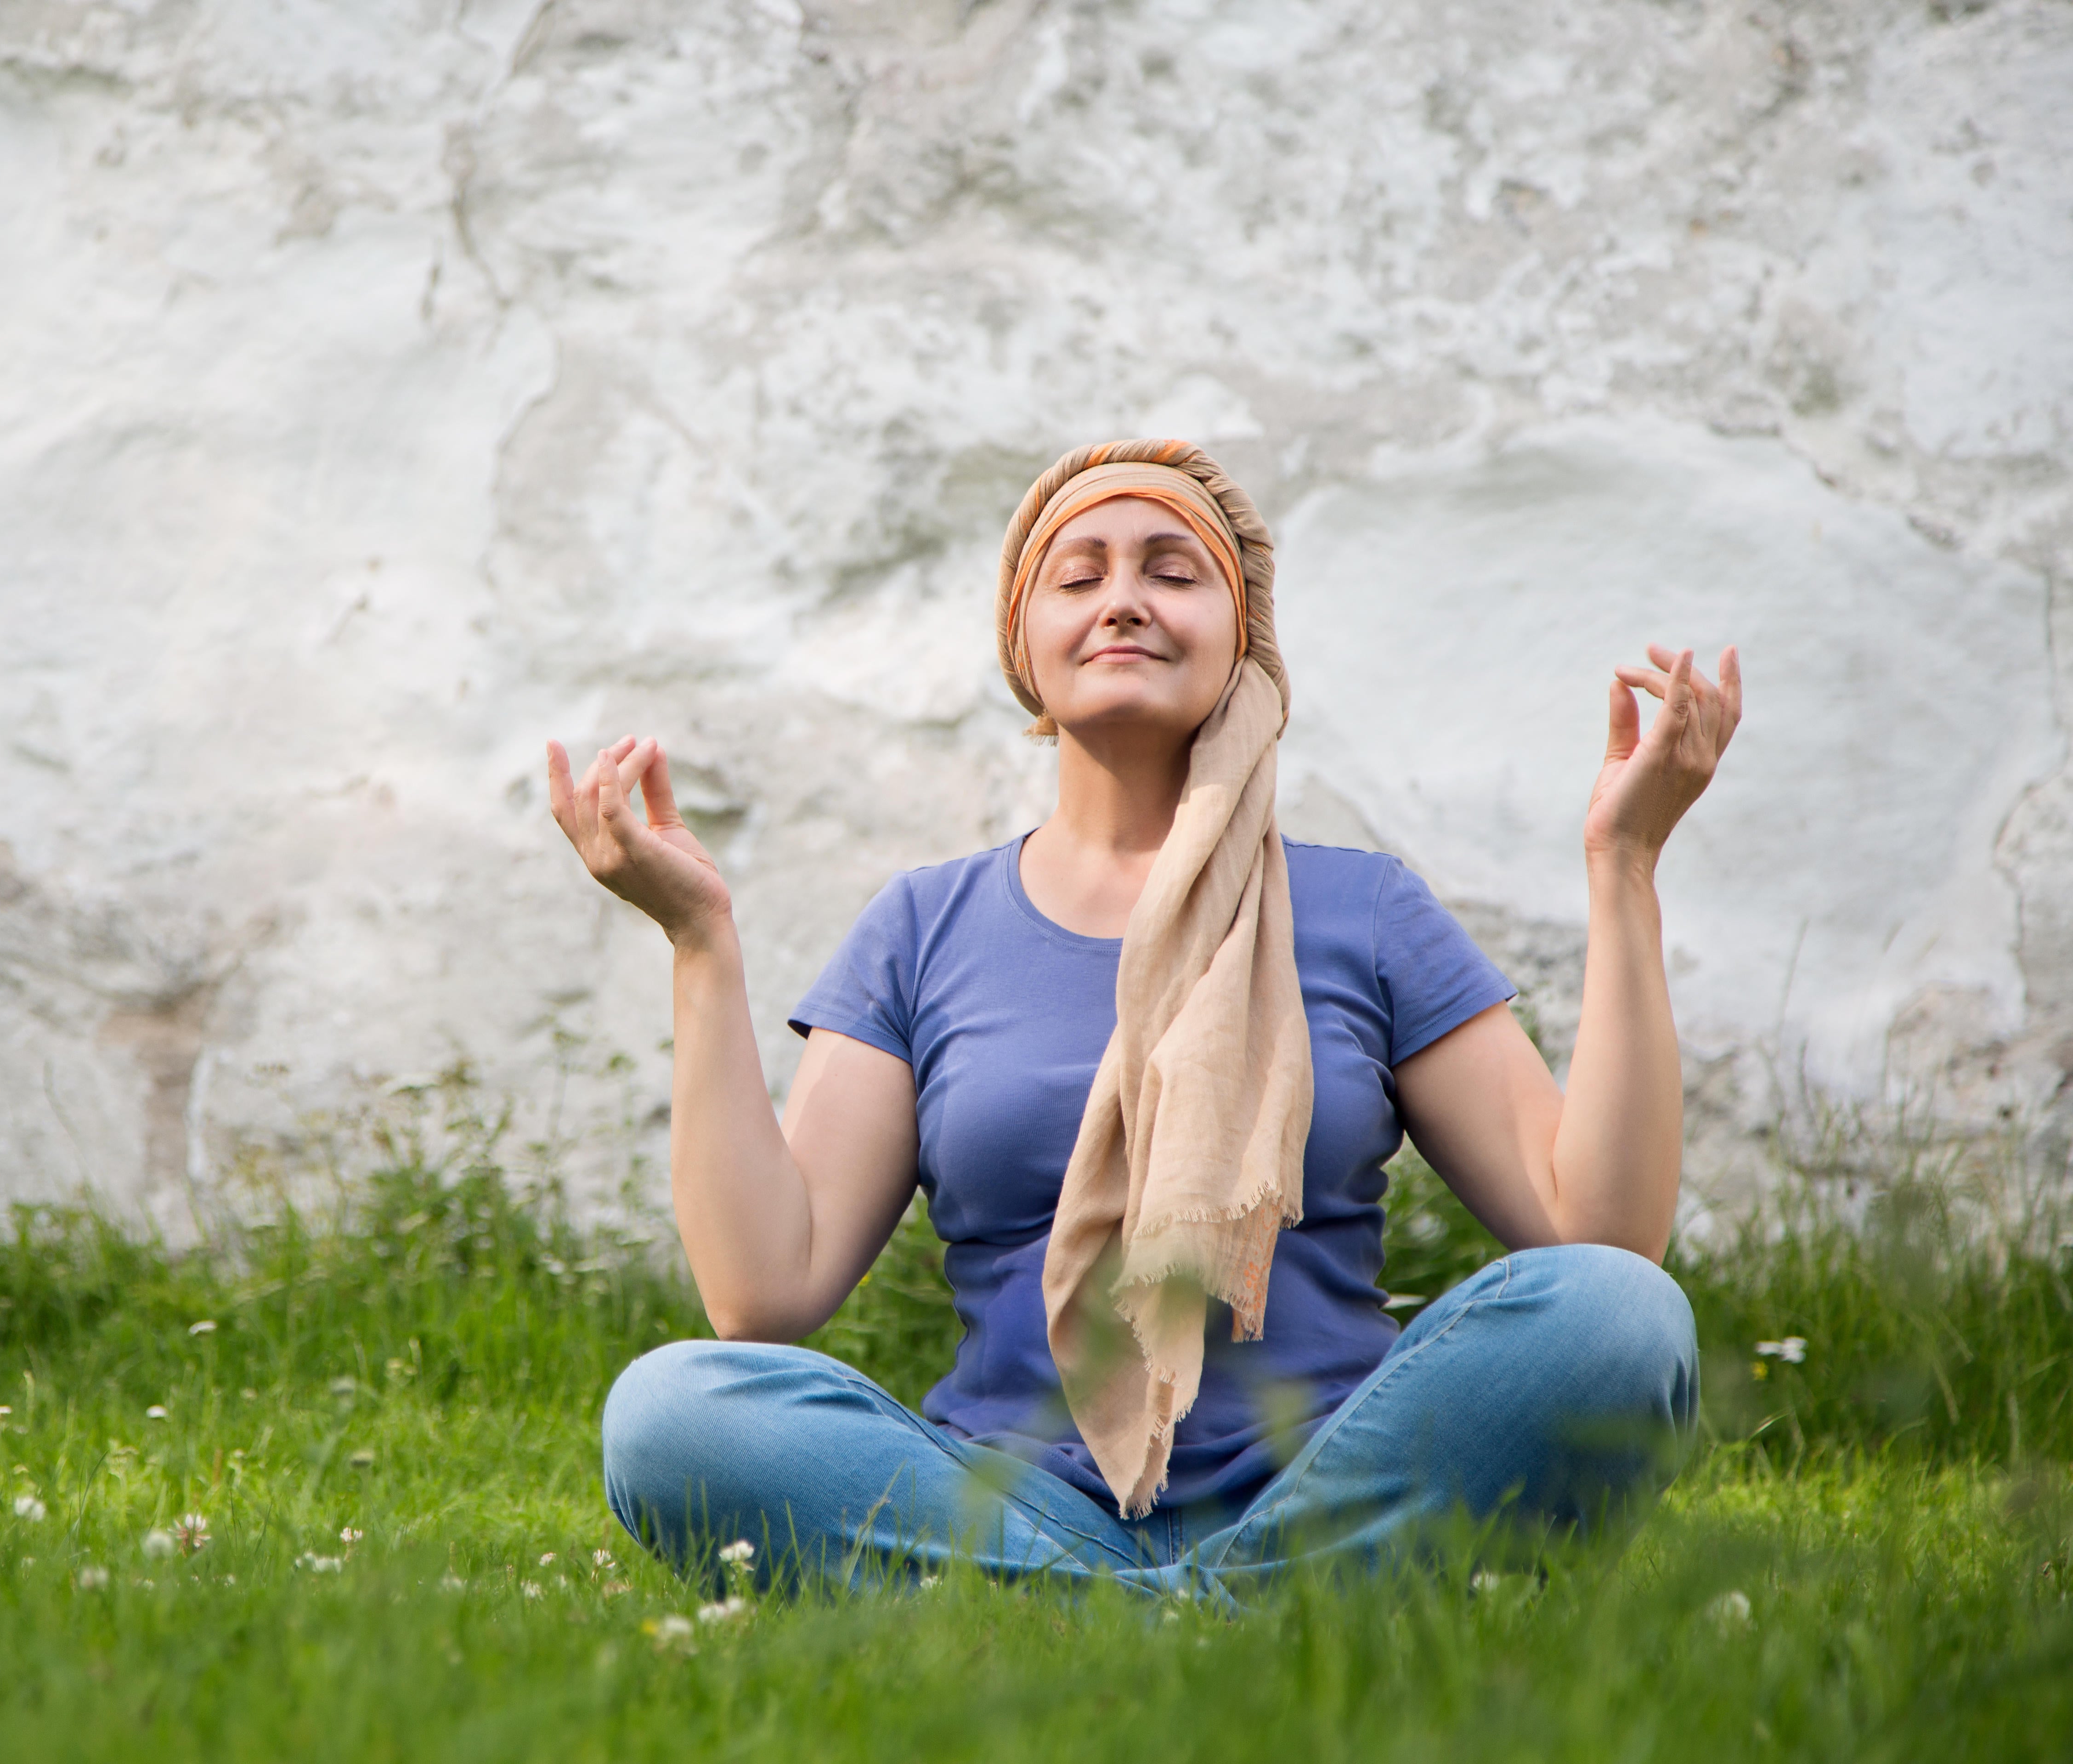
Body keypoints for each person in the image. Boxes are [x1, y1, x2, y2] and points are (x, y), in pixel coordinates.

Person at [544, 438, 1740, 1605]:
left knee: (1619, 1319)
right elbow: (765, 1293)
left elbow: (1599, 1232)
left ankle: (1079, 1616)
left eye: (1174, 572)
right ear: (1026, 644)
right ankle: (1256, 1614)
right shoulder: (924, 925)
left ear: (1243, 641)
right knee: (674, 1412)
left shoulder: (1363, 909)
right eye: (1080, 576)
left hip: (1328, 1474)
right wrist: (697, 945)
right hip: (1013, 1494)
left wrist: (1625, 863)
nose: (1123, 601)